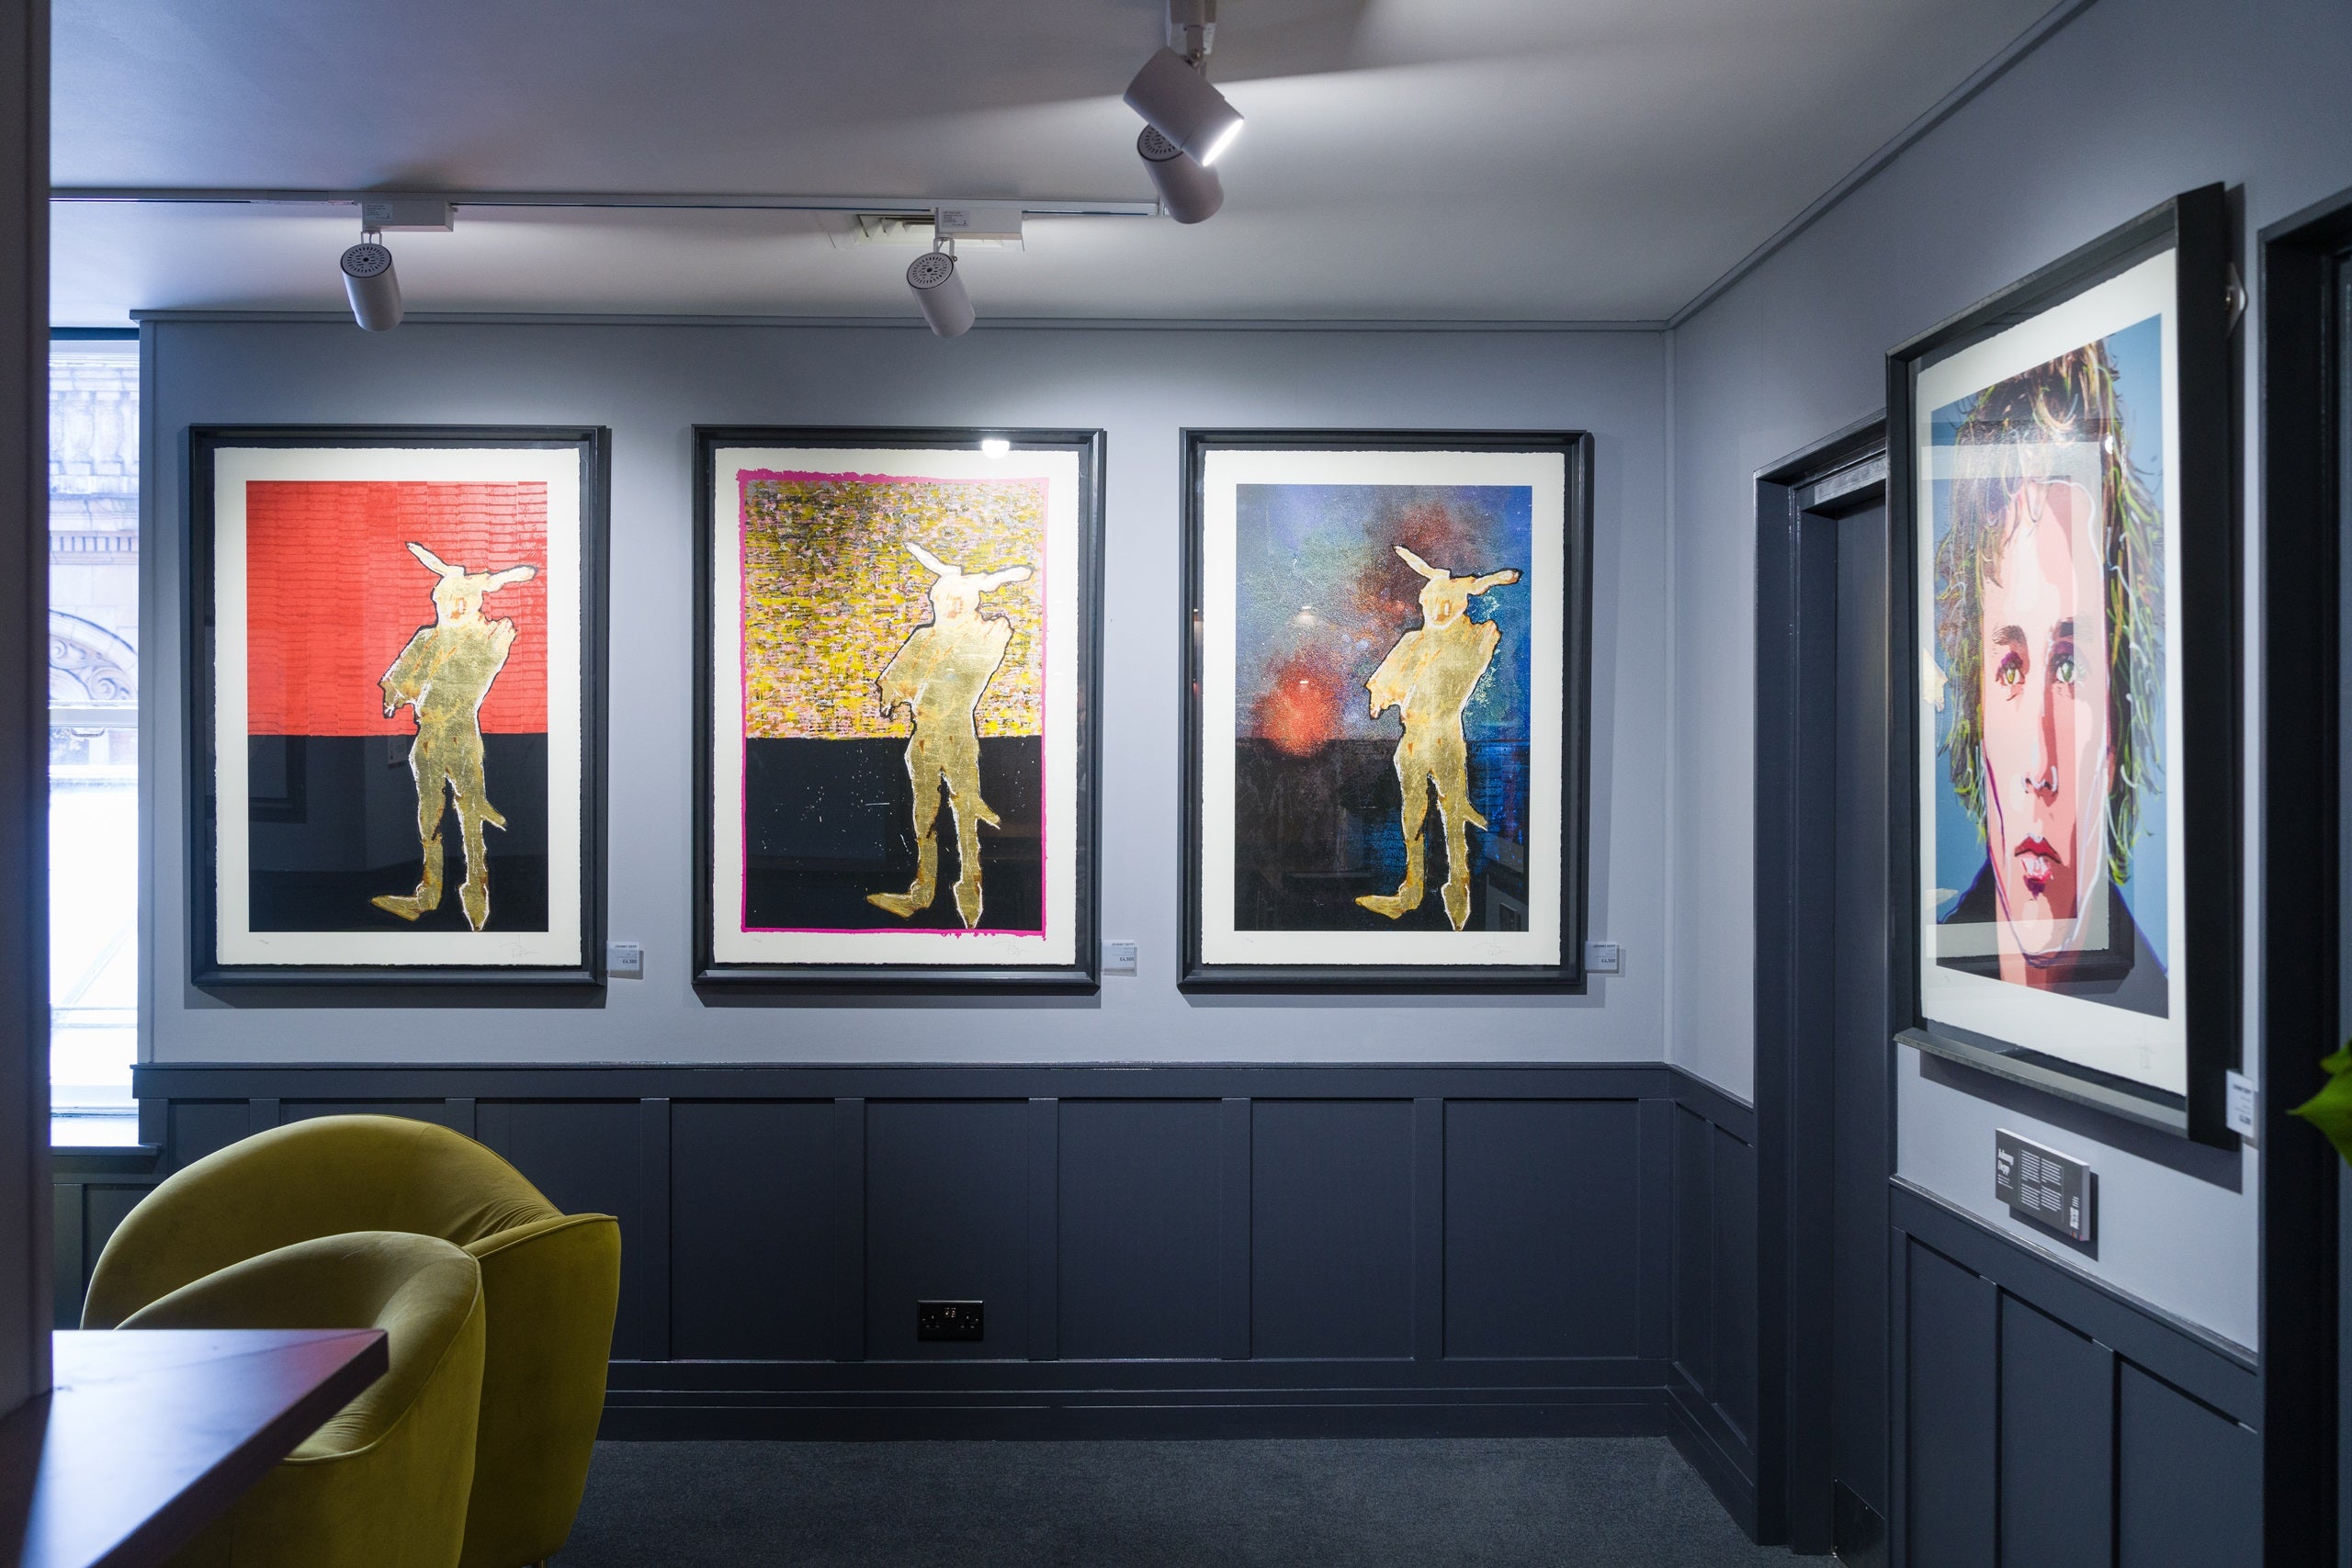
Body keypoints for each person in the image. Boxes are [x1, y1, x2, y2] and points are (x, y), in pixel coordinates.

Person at [1933, 342, 2165, 1015]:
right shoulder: (1930, 981)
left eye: (2069, 666)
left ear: (2118, 717)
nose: (2041, 765)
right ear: (1976, 705)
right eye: (2010, 666)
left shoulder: (2163, 1022)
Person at [866, 540, 1032, 930]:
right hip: (923, 737)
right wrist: (892, 693)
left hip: (956, 734)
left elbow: (967, 674)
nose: (952, 606)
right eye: (946, 599)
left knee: (964, 815)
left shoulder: (985, 635)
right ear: (936, 601)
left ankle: (970, 890)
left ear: (972, 602)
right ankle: (922, 892)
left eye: (961, 599)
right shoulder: (925, 638)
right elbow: (897, 679)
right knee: (923, 815)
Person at [373, 542, 537, 931]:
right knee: (429, 815)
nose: (456, 606)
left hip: (461, 735)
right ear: (438, 598)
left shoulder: (489, 637)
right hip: (427, 739)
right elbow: (400, 683)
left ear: (477, 601)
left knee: (469, 816)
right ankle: (428, 893)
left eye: (464, 598)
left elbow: (466, 682)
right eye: (448, 597)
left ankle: (476, 891)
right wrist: (395, 695)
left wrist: (416, 690)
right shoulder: (426, 639)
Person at [1355, 546, 1521, 931]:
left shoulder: (1472, 640)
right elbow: (1386, 688)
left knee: (1452, 815)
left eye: (1450, 604)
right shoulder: (1413, 643)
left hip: (1445, 736)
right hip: (1413, 741)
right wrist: (1381, 696)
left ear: (1461, 605)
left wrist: (1486, 582)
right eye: (1434, 603)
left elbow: (1462, 669)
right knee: (1413, 812)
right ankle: (1412, 890)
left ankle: (1458, 887)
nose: (1440, 610)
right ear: (1424, 603)